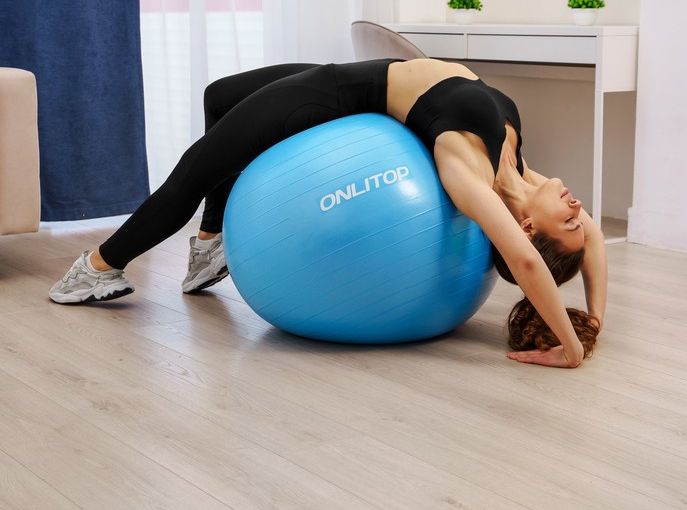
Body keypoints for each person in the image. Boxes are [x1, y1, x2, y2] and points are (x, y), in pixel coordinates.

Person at [49, 58, 607, 368]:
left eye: (568, 222)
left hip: (336, 94)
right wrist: (595, 320)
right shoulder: (525, 172)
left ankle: (97, 269)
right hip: (359, 71)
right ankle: (209, 245)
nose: (577, 208)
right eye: (578, 216)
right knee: (220, 95)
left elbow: (526, 263)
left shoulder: (469, 173)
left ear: (526, 229)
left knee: (193, 175)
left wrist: (571, 349)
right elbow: (596, 240)